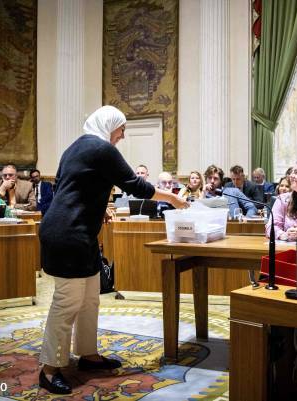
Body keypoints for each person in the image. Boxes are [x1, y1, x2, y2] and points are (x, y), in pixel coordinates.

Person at [38, 105, 188, 394]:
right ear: (110, 125)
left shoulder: (75, 147)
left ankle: (88, 354)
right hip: (68, 234)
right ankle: (49, 368)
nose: (121, 136)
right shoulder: (101, 148)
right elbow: (134, 185)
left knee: (90, 297)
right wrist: (173, 199)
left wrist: (97, 210)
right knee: (68, 301)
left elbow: (68, 187)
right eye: (121, 129)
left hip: (72, 230)